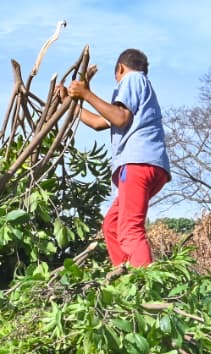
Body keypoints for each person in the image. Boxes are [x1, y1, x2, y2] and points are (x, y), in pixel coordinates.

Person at [66, 48, 171, 268]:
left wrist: (86, 94)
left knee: (130, 230)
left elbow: (120, 118)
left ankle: (144, 285)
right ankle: (124, 275)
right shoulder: (142, 91)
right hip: (150, 166)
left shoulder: (132, 79)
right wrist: (70, 103)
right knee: (112, 225)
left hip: (137, 164)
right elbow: (98, 122)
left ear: (120, 69)